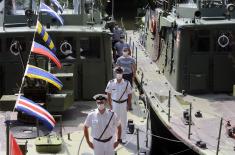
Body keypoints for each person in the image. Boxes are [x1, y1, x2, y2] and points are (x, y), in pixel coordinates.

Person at [105, 67, 132, 143]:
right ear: (115, 73)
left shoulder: (127, 83)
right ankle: (116, 137)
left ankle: (123, 138)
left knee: (123, 121)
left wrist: (128, 104)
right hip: (115, 103)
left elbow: (129, 94)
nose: (119, 74)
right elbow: (108, 93)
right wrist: (110, 104)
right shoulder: (111, 83)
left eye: (120, 73)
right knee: (114, 121)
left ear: (122, 73)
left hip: (123, 103)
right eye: (117, 73)